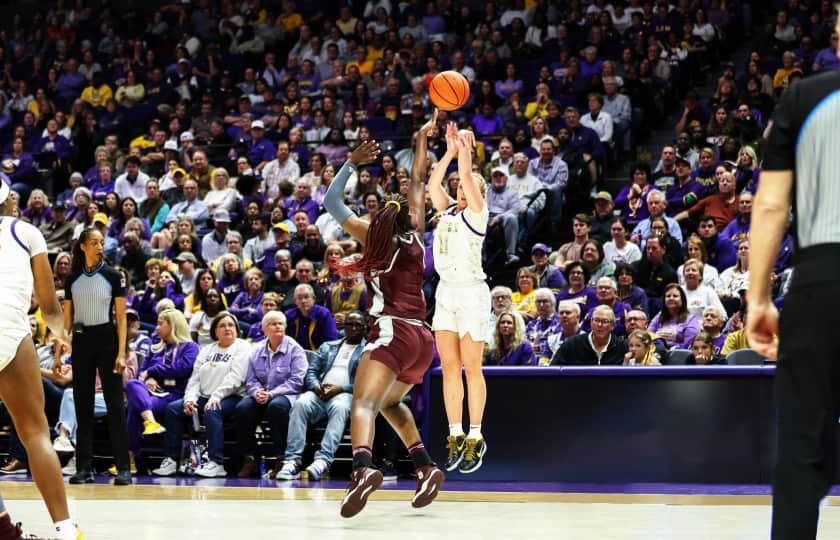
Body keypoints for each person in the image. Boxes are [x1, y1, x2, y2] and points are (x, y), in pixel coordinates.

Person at [323, 121, 444, 517]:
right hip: (423, 340)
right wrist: (423, 139)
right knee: (390, 404)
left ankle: (362, 469)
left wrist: (350, 164)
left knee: (363, 403)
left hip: (392, 333)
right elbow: (419, 180)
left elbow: (332, 203)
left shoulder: (370, 236)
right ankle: (425, 467)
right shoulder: (416, 235)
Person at [745, 44, 840, 538]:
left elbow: (769, 205)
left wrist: (758, 299)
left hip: (821, 280)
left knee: (801, 450)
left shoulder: (804, 96)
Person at [0, 180, 84, 539]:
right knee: (35, 434)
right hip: (9, 331)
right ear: (7, 201)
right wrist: (61, 334)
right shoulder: (25, 231)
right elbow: (49, 306)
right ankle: (66, 530)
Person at [428, 122, 490, 474]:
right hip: (446, 292)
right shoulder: (448, 210)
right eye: (461, 189)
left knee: (471, 368)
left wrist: (465, 149)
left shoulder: (478, 214)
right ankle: (455, 434)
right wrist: (449, 152)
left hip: (471, 293)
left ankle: (476, 436)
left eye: (468, 188)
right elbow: (434, 184)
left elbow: (466, 176)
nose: (462, 190)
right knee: (449, 368)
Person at [64, 227, 132, 488]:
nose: (99, 246)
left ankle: (123, 468)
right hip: (82, 342)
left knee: (115, 405)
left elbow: (122, 318)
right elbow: (66, 323)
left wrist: (121, 353)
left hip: (107, 340)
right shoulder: (72, 280)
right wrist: (60, 353)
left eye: (101, 242)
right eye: (94, 242)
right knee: (83, 405)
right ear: (82, 246)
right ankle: (84, 467)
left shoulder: (113, 276)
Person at [154, 311, 250, 478]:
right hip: (204, 395)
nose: (227, 328)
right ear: (215, 331)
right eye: (222, 325)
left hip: (232, 396)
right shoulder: (207, 350)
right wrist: (189, 399)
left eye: (231, 325)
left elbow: (236, 378)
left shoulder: (243, 348)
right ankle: (172, 459)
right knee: (173, 409)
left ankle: (216, 462)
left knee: (212, 410)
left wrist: (217, 396)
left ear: (237, 329)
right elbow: (195, 378)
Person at [276, 310, 367, 481]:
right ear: (344, 327)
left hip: (345, 394)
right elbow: (311, 371)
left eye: (358, 325)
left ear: (365, 328)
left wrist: (340, 388)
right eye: (350, 324)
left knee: (340, 408)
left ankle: (323, 461)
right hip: (319, 393)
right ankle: (292, 461)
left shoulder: (368, 351)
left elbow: (366, 382)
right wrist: (316, 386)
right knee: (300, 404)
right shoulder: (328, 346)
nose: (354, 328)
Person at [234, 311, 307, 478]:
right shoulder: (256, 349)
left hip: (287, 395)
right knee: (242, 409)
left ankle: (281, 458)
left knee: (276, 408)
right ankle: (251, 456)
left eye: (281, 323)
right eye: (273, 323)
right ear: (264, 329)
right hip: (262, 394)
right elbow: (250, 380)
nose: (278, 326)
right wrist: (256, 391)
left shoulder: (295, 349)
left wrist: (271, 394)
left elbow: (297, 381)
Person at [550, 305, 627, 365]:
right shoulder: (572, 344)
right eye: (596, 320)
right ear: (591, 322)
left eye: (605, 321)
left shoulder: (620, 347)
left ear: (612, 326)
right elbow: (553, 371)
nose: (600, 325)